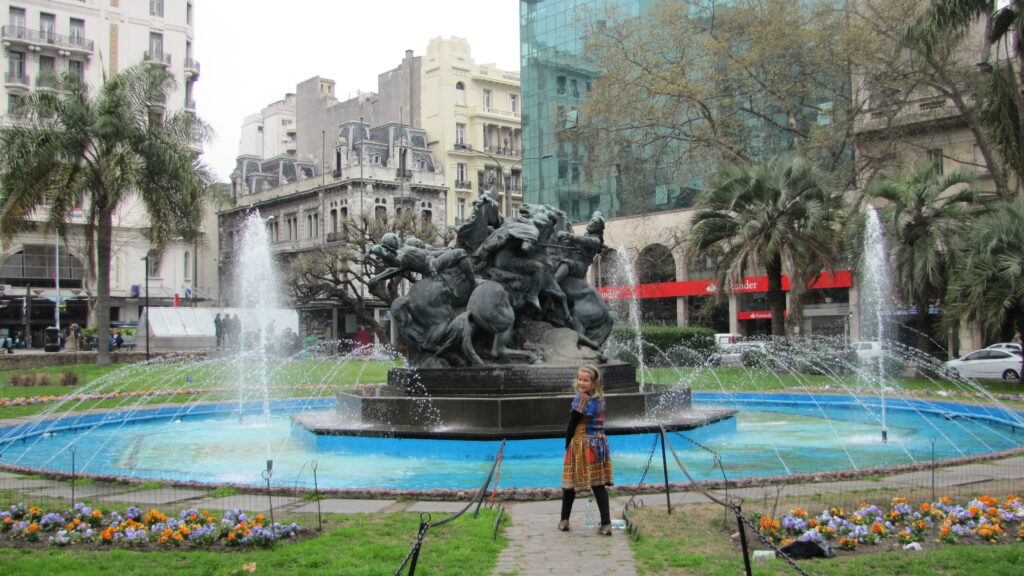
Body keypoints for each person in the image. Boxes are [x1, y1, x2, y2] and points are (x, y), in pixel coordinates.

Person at [559, 364, 614, 535]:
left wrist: (567, 444)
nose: (582, 383)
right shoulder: (600, 398)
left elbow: (572, 424)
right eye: (580, 379)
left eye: (586, 380)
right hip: (599, 443)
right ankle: (606, 524)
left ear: (594, 382)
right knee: (598, 485)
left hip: (582, 443)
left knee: (569, 484)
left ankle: (564, 520)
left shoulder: (582, 398)